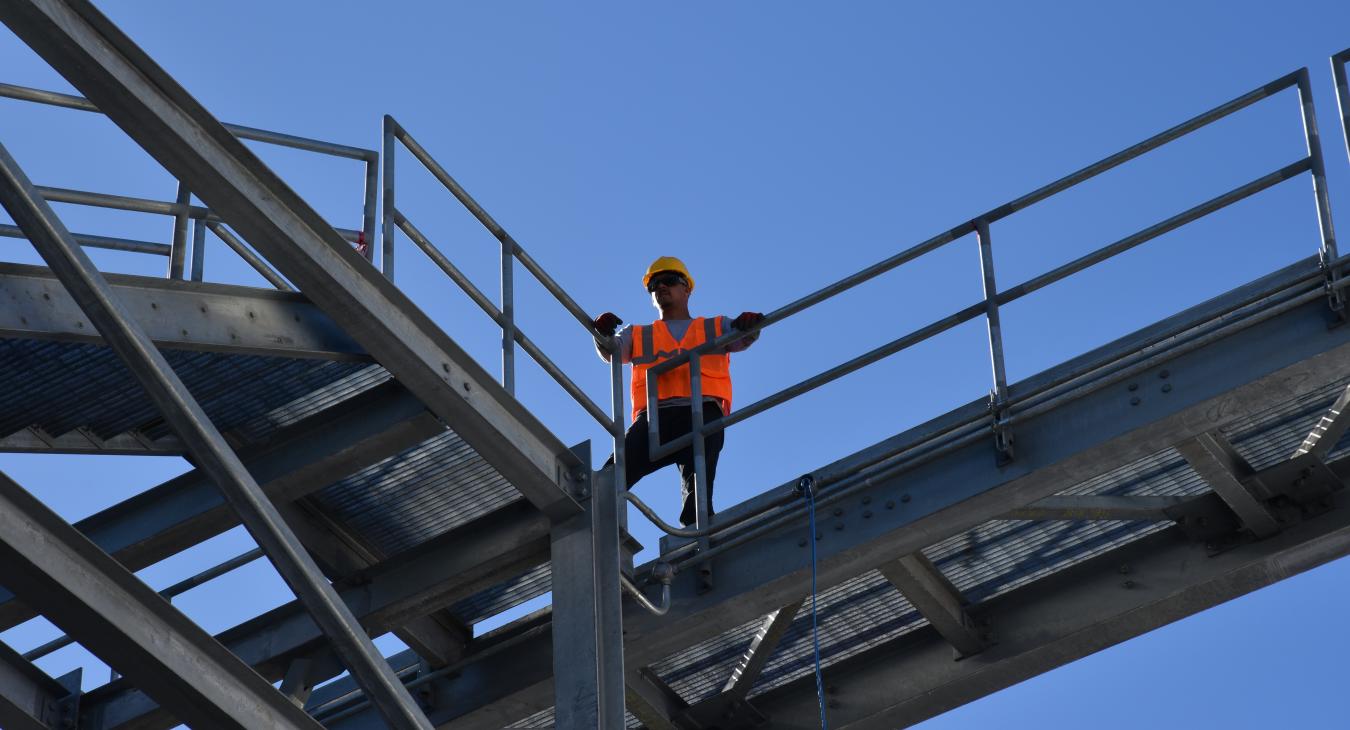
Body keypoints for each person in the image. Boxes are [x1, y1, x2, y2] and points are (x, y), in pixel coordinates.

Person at [594, 256, 763, 526]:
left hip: (702, 411)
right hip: (654, 418)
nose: (661, 287)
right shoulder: (637, 334)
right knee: (611, 477)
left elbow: (742, 336)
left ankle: (697, 535)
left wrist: (751, 326)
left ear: (687, 289)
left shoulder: (714, 326)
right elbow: (611, 351)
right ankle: (589, 515)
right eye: (655, 285)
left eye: (669, 281)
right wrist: (600, 333)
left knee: (699, 490)